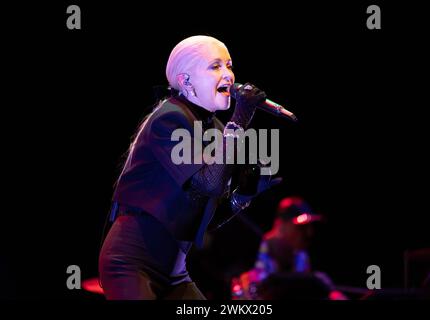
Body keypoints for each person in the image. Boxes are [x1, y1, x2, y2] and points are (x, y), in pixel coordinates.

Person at [98, 35, 279, 300]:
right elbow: (210, 184)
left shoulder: (215, 130)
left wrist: (244, 196)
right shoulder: (170, 117)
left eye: (229, 65)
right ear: (185, 81)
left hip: (175, 274)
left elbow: (205, 219)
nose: (228, 75)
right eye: (215, 66)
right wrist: (240, 119)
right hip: (131, 265)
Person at [231, 196, 346, 300]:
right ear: (280, 225)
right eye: (301, 228)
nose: (309, 233)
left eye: (310, 228)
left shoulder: (301, 256)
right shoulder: (252, 248)